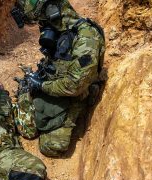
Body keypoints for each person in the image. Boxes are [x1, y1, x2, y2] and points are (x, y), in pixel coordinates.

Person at [11, 0, 106, 157]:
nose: (41, 25)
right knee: (25, 124)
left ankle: (78, 108)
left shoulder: (86, 38)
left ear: (52, 11)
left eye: (42, 19)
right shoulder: (62, 30)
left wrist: (41, 86)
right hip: (55, 84)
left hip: (72, 92)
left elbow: (75, 86)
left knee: (51, 146)